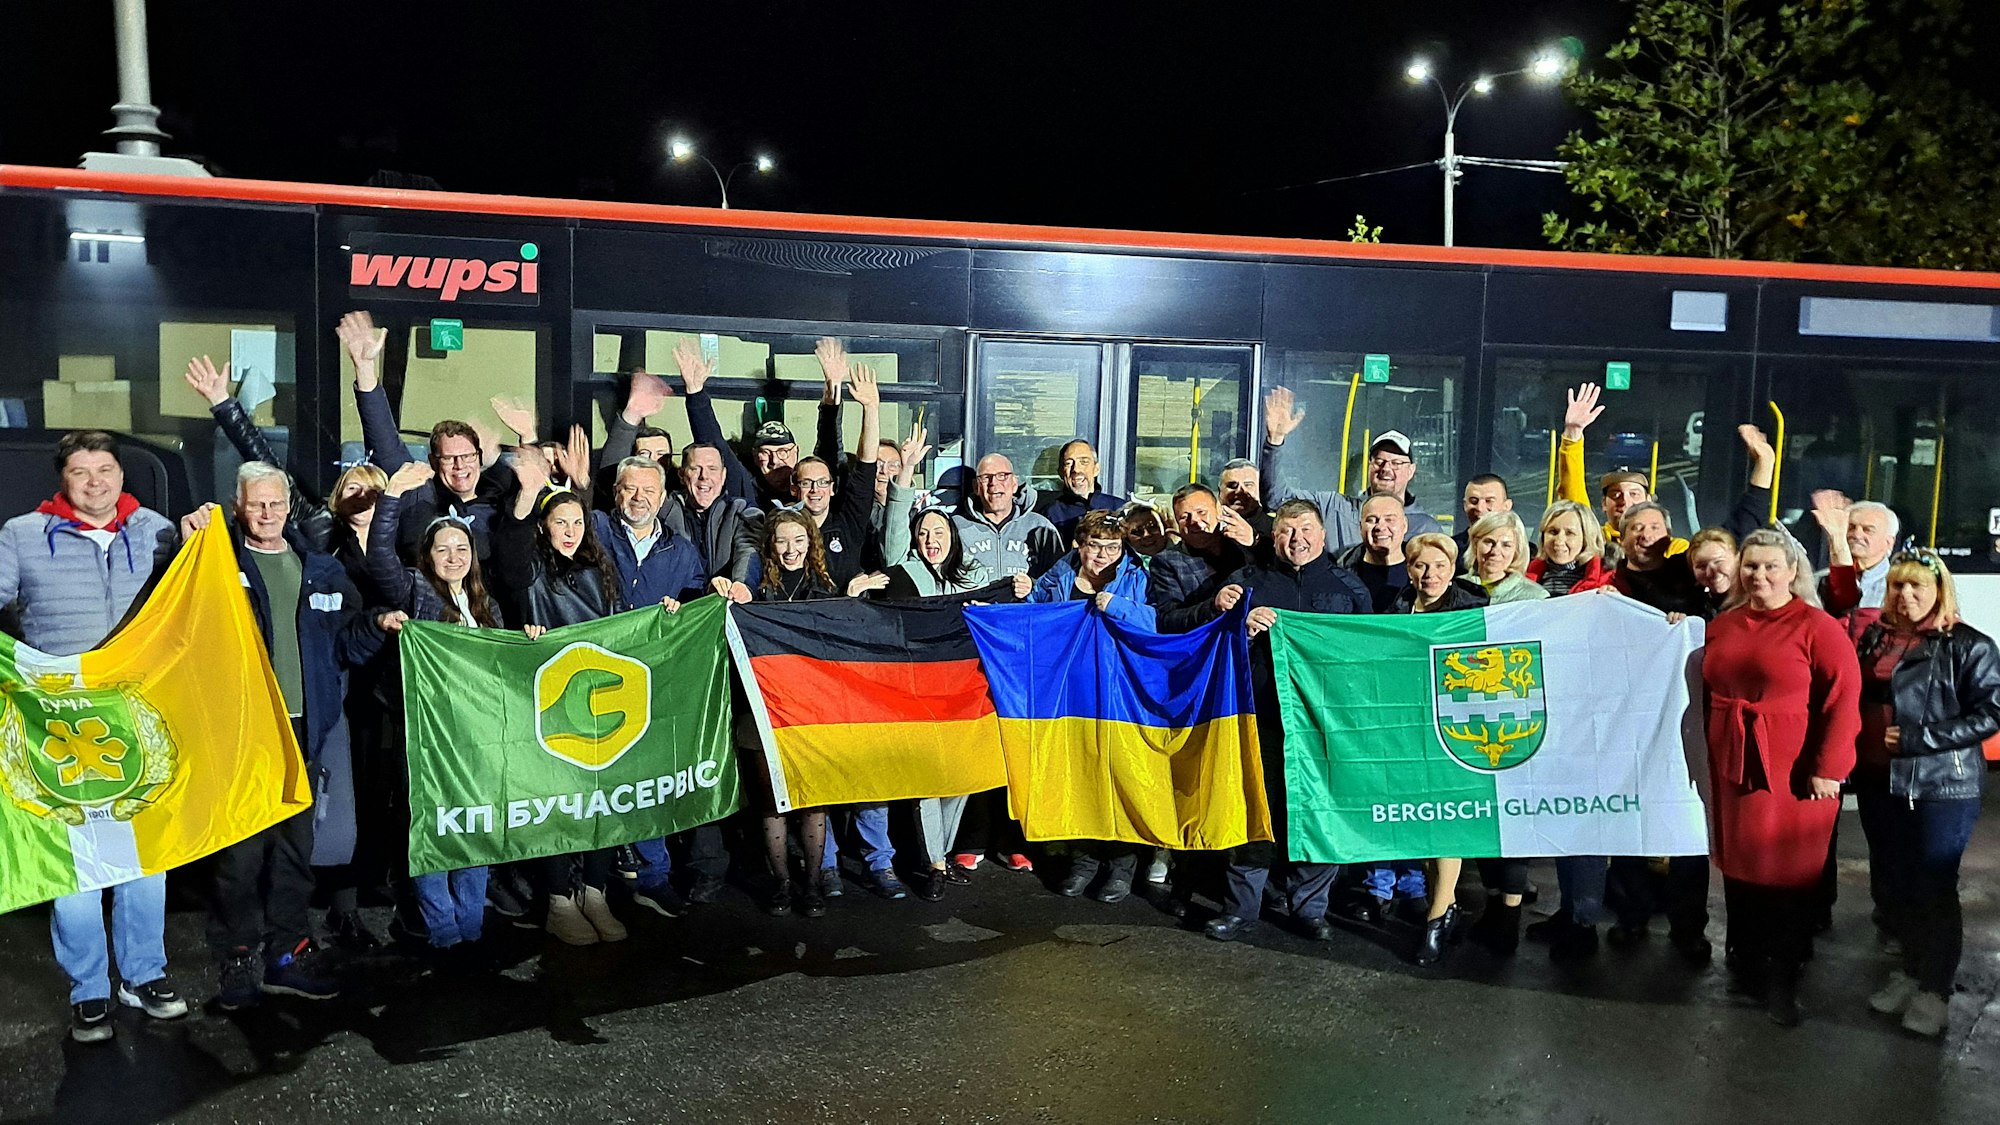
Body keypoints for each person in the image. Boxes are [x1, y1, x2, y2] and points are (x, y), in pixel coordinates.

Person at [182, 463, 395, 1009]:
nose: (267, 513)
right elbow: (184, 625)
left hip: (306, 730)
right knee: (241, 856)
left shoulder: (321, 569)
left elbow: (345, 645)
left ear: (288, 507)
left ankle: (286, 953)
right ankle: (237, 957)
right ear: (237, 507)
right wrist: (186, 554)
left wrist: (375, 627)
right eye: (256, 504)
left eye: (276, 503)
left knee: (296, 851)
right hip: (245, 732)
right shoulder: (218, 566)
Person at [0, 431, 183, 1042]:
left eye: (105, 470)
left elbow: (190, 600)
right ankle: (89, 989)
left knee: (144, 858)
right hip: (58, 725)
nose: (96, 482)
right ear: (64, 479)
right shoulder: (22, 535)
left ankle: (144, 974)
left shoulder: (157, 530)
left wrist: (202, 536)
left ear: (121, 476)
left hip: (135, 719)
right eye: (82, 472)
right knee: (74, 867)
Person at [1703, 529, 1861, 1026]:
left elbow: (1842, 701)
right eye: (1751, 566)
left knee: (1789, 876)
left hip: (1793, 771)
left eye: (1772, 566)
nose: (1760, 576)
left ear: (1793, 570)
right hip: (1734, 762)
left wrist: (1828, 769)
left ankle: (1785, 977)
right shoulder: (1723, 624)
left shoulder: (1818, 627)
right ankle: (1747, 965)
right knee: (1741, 867)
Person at [365, 467, 514, 970]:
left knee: (475, 826)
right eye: (443, 550)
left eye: (461, 549)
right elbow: (379, 558)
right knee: (433, 828)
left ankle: (471, 926)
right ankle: (443, 930)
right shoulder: (414, 590)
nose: (453, 557)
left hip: (478, 736)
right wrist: (390, 499)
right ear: (427, 557)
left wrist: (528, 638)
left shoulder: (485, 603)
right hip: (429, 736)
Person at [1203, 499, 1371, 943]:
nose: (1297, 539)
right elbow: (1205, 638)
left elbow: (1366, 659)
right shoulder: (1247, 583)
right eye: (1286, 531)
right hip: (1261, 718)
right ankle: (1242, 908)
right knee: (1257, 812)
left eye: (1306, 530)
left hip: (1322, 726)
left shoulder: (1350, 590)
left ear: (1323, 534)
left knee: (1318, 815)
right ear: (1272, 536)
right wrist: (1239, 622)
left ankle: (1310, 908)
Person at [1850, 550, 1998, 1038]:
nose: (1905, 596)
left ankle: (1934, 990)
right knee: (1896, 884)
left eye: (1917, 587)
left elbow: (1992, 714)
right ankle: (1912, 972)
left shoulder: (1968, 644)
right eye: (1897, 586)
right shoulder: (1876, 637)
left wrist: (1922, 739)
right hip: (1878, 781)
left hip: (1942, 785)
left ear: (1940, 591)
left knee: (1934, 887)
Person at [490, 445, 631, 945]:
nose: (570, 530)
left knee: (600, 800)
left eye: (577, 521)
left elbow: (625, 624)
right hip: (547, 699)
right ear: (544, 528)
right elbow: (507, 548)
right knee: (555, 803)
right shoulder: (528, 569)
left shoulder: (602, 567)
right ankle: (557, 900)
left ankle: (595, 891)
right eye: (560, 521)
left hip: (599, 700)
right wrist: (528, 493)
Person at [745, 510, 882, 916]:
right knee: (772, 803)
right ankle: (782, 885)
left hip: (809, 714)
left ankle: (812, 885)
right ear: (771, 545)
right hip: (762, 711)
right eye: (783, 541)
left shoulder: (823, 589)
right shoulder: (755, 591)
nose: (791, 550)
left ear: (811, 544)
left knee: (813, 804)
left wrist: (851, 599)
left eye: (799, 541)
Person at [1030, 510, 1157, 904]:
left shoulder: (1135, 575)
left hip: (1122, 692)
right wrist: (1005, 601)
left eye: (1112, 547)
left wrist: (1118, 606)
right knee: (1081, 776)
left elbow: (1156, 623)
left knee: (1121, 779)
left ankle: (1121, 867)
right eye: (1094, 546)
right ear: (1079, 545)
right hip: (1071, 694)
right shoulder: (1060, 574)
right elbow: (1031, 614)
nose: (1102, 555)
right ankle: (1083, 862)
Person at [1519, 501, 1617, 958]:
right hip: (1541, 716)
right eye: (1553, 532)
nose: (1560, 541)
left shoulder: (1607, 587)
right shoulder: (1528, 580)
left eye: (1570, 535)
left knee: (1587, 820)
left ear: (1587, 540)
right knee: (1560, 815)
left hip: (1588, 718)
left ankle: (1584, 920)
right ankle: (1568, 908)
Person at [342, 311, 513, 565]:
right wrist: (365, 369)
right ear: (433, 462)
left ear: (479, 459)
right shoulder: (419, 494)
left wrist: (528, 436)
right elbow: (384, 442)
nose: (460, 466)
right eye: (449, 458)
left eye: (467, 456)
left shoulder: (500, 501)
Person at [1392, 533, 1491, 965]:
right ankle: (1445, 904)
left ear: (1453, 569)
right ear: (1409, 569)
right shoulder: (1395, 606)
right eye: (1419, 566)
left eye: (1438, 565)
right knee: (1423, 819)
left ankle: (1435, 918)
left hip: (1456, 721)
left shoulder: (1472, 606)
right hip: (1409, 720)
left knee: (1446, 816)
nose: (1429, 574)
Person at [1260, 386, 1444, 551]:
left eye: (1396, 463)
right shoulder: (1334, 508)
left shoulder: (1426, 528)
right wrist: (1275, 442)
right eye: (1379, 461)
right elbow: (1276, 498)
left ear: (1411, 470)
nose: (1386, 468)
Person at [1150, 483, 1257, 633]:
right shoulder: (1167, 561)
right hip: (1210, 644)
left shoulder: (1243, 544)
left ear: (1219, 510)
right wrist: (1212, 606)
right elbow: (1169, 620)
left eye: (1201, 512)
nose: (1195, 521)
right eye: (1184, 517)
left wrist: (1255, 542)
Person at [953, 453, 1064, 585]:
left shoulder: (1040, 527)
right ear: (976, 487)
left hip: (1024, 605)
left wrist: (1032, 586)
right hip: (974, 605)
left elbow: (1059, 581)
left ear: (1014, 484)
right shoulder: (956, 528)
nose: (993, 483)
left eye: (1002, 476)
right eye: (986, 478)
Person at [1815, 493, 1901, 642]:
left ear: (1889, 542)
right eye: (1851, 527)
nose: (1856, 534)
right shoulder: (1819, 581)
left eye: (1868, 530)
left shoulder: (1900, 585)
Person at [1033, 439, 1127, 542]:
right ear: (1060, 472)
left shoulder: (1119, 508)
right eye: (1068, 463)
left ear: (1096, 469)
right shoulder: (1050, 514)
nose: (1076, 469)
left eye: (1084, 462)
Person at [1332, 493, 1410, 613]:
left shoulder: (1428, 571)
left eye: (1389, 519)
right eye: (1371, 520)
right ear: (1360, 527)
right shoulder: (1338, 574)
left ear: (1405, 525)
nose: (1380, 526)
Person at [1459, 510, 1549, 608]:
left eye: (1506, 545)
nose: (1495, 552)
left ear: (1516, 550)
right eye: (1489, 542)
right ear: (1475, 544)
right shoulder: (1453, 589)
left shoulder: (1536, 597)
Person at [1524, 501, 1615, 596]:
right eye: (1553, 532)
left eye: (1569, 533)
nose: (1559, 541)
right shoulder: (1525, 581)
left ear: (1586, 538)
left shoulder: (1608, 580)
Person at [1454, 475, 1514, 556]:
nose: (1480, 508)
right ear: (1465, 505)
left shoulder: (1523, 552)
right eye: (1474, 501)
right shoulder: (1451, 549)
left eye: (1489, 501)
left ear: (1506, 506)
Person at [1218, 458, 1273, 542]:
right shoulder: (1206, 526)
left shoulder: (1275, 529)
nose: (1240, 491)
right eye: (1232, 485)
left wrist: (1254, 540)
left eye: (1248, 485)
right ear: (1220, 491)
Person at [1686, 527, 1738, 616]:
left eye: (1718, 562)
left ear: (1738, 558)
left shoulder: (1760, 600)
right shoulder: (1696, 608)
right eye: (1701, 566)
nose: (1710, 572)